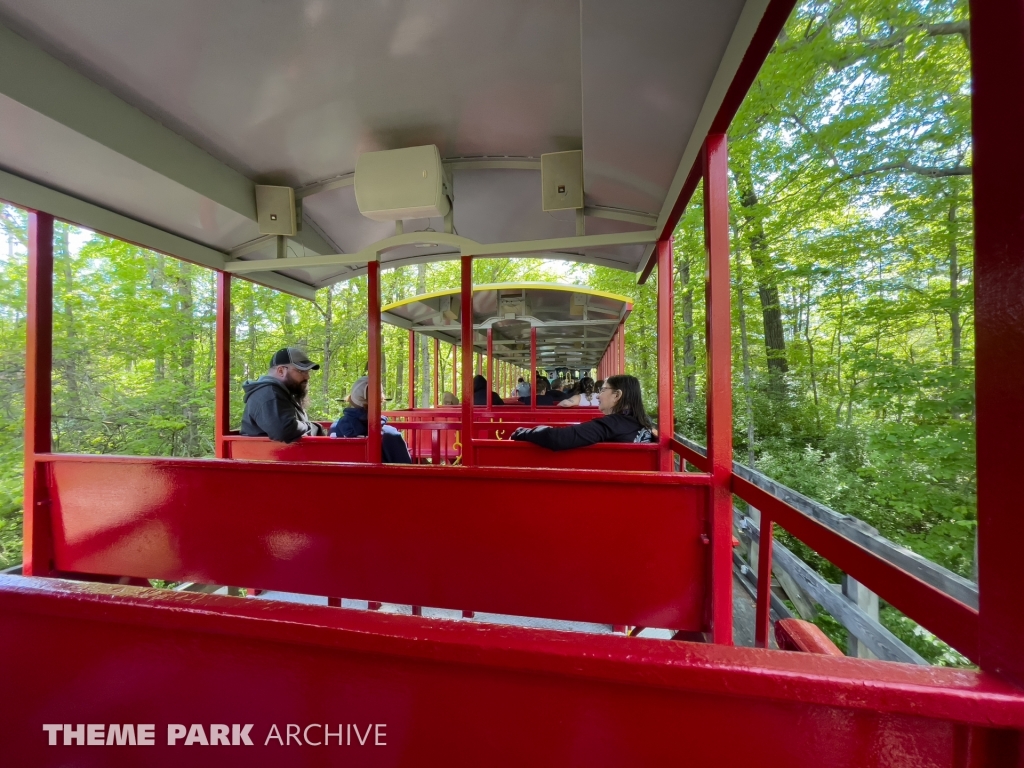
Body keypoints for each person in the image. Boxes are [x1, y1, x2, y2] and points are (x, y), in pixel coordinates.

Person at [511, 375, 654, 450]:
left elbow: (557, 438)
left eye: (603, 390)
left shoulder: (612, 425)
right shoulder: (644, 421)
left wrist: (522, 432)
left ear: (617, 395)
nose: (598, 395)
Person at [241, 347, 326, 443]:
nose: (307, 377)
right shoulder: (269, 394)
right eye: (301, 371)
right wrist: (313, 427)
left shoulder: (283, 393)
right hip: (264, 456)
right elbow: (284, 430)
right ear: (281, 371)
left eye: (307, 372)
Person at [330, 376, 412, 463]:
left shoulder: (335, 429)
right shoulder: (390, 435)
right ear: (380, 401)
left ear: (351, 399)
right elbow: (406, 468)